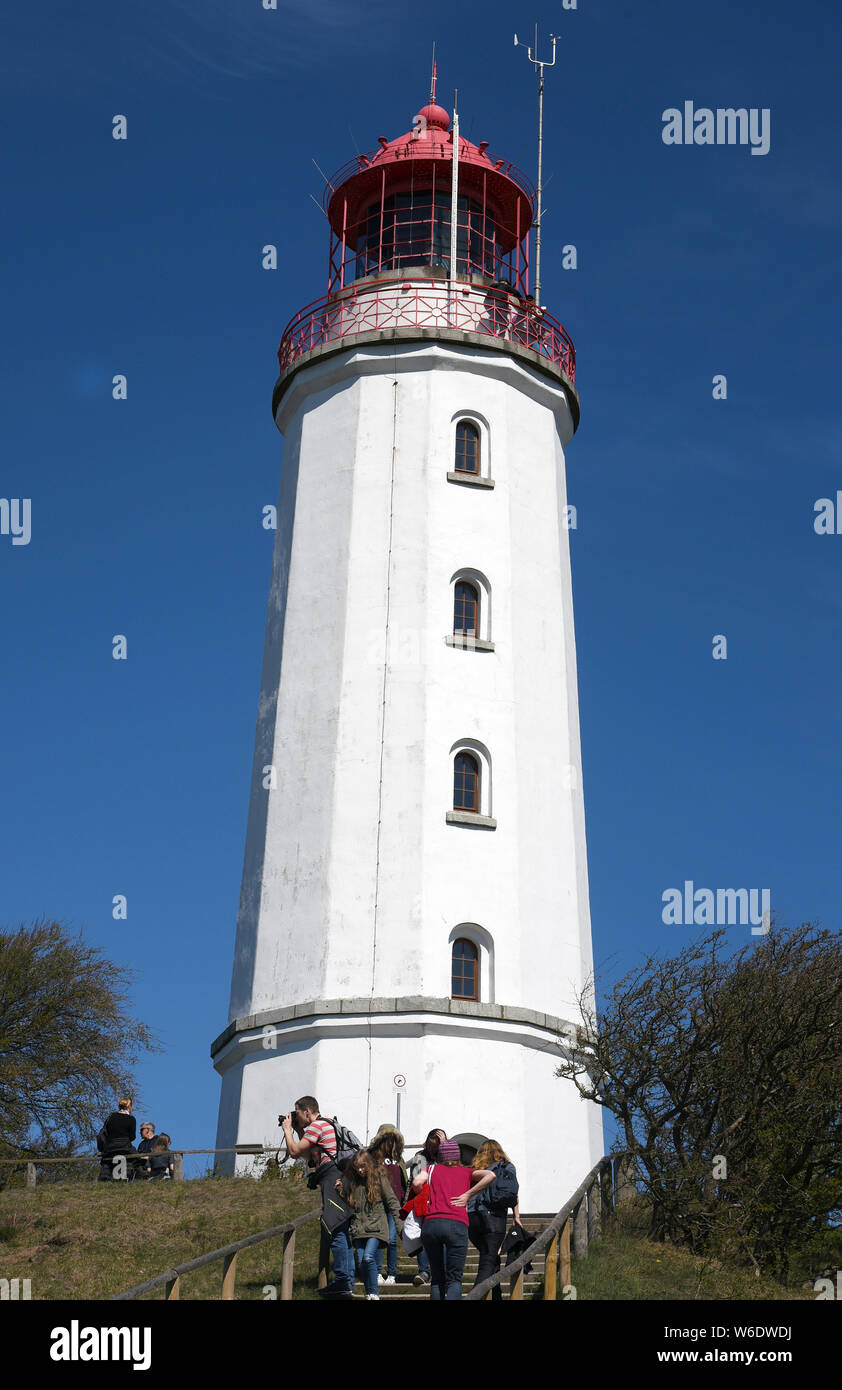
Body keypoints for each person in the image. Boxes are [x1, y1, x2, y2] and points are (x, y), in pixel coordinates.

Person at [281, 1096, 355, 1299]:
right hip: (340, 1177)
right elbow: (310, 1156)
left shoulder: (316, 1126)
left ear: (307, 1111)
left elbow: (295, 1151)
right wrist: (297, 1131)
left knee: (334, 1226)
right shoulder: (327, 1124)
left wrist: (287, 1130)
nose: (295, 1117)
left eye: (296, 1114)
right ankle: (347, 1280)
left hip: (332, 1178)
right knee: (341, 1226)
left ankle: (342, 1281)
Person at [412, 1138, 496, 1300]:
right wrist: (467, 1195)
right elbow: (490, 1175)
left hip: (432, 1224)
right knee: (454, 1279)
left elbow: (416, 1182)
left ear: (441, 1156)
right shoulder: (466, 1172)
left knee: (437, 1278)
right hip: (457, 1225)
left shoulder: (431, 1169)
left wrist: (422, 1193)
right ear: (458, 1156)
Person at [339, 1150, 404, 1301]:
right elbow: (349, 1204)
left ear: (368, 1164)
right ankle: (370, 1293)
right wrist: (340, 1190)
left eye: (362, 1166)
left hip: (376, 1228)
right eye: (357, 1167)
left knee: (368, 1257)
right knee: (362, 1263)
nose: (360, 1170)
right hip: (359, 1229)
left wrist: (400, 1224)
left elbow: (393, 1202)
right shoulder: (353, 1182)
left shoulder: (379, 1179)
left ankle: (374, 1293)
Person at [466, 1139, 520, 1300]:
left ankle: (496, 1297)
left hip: (472, 1218)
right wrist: (516, 1217)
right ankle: (474, 1296)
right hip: (494, 1218)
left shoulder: (474, 1170)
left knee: (491, 1259)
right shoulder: (506, 1167)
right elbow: (513, 1192)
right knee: (488, 1262)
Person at [368, 1123, 407, 1286]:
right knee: (378, 1238)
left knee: (391, 1240)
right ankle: (376, 1272)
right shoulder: (372, 1157)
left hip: (395, 1205)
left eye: (393, 1139)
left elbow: (404, 1179)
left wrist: (404, 1199)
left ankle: (391, 1273)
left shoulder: (399, 1159)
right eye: (387, 1139)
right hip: (377, 1204)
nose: (391, 1142)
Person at [406, 1128, 446, 1286]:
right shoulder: (420, 1157)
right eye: (429, 1145)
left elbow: (448, 1171)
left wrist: (443, 1148)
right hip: (422, 1201)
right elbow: (416, 1180)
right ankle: (424, 1271)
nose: (431, 1149)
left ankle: (440, 1270)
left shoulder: (445, 1156)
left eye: (435, 1146)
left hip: (441, 1202)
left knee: (441, 1237)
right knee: (421, 1236)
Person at [96, 1097, 136, 1182]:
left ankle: (104, 1177)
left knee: (107, 1161)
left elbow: (105, 1133)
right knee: (136, 1158)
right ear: (129, 1106)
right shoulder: (131, 1119)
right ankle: (127, 1175)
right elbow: (132, 1137)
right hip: (124, 1148)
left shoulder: (111, 1117)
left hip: (110, 1148)